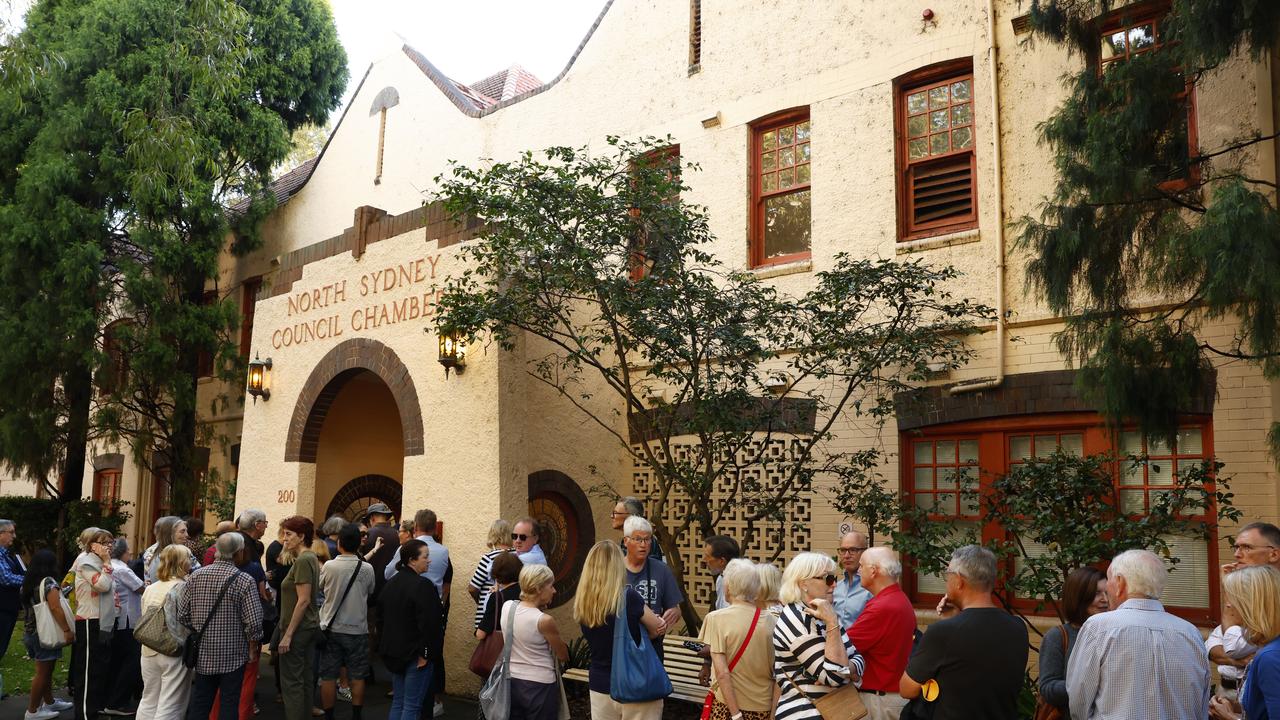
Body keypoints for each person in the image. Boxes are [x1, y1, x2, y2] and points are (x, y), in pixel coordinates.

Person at [1066, 548, 1209, 720]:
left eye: (1109, 581)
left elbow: (1079, 700)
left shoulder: (1099, 627)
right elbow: (1201, 703)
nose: (1107, 591)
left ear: (1120, 583)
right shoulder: (1190, 633)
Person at [900, 545, 1027, 720]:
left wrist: (949, 624)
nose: (947, 580)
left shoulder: (944, 633)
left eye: (948, 574)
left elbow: (907, 689)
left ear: (959, 581)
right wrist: (954, 618)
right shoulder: (1018, 627)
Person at [575, 541, 665, 720]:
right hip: (636, 682)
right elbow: (657, 629)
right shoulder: (628, 597)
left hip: (600, 684)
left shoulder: (583, 602)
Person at [180, 531, 264, 720]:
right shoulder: (244, 580)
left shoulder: (196, 576)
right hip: (234, 652)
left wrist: (198, 628)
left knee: (201, 701)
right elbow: (254, 622)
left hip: (203, 650)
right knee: (229, 702)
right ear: (239, 552)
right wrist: (252, 647)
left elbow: (183, 614)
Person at [774, 551, 862, 719]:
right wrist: (845, 670)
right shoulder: (795, 619)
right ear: (804, 584)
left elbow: (859, 659)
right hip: (803, 713)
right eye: (827, 578)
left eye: (834, 578)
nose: (834, 584)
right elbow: (835, 676)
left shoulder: (822, 613)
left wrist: (847, 669)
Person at [697, 559, 776, 720]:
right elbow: (778, 674)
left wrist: (736, 715)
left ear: (728, 586)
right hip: (763, 706)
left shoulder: (716, 619)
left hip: (727, 706)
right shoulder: (773, 620)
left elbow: (722, 673)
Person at [846, 547, 915, 720]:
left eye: (861, 566)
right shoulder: (898, 598)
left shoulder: (882, 606)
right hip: (888, 697)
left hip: (880, 702)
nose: (858, 570)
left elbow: (843, 645)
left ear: (874, 570)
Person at [379, 539, 444, 720]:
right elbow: (431, 624)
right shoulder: (422, 586)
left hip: (395, 652)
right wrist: (425, 653)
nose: (429, 560)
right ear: (412, 560)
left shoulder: (391, 583)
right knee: (412, 706)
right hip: (415, 656)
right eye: (425, 557)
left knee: (399, 702)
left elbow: (382, 620)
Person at [318, 523, 375, 720]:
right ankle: (356, 715)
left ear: (340, 543)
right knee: (358, 675)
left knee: (328, 675)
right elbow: (370, 592)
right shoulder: (367, 568)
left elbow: (321, 587)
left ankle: (329, 715)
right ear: (359, 543)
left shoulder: (329, 566)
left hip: (331, 628)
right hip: (358, 629)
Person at [1210, 565, 1280, 720]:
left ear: (1251, 606)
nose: (1228, 606)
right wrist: (1238, 708)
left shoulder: (1270, 656)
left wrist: (1229, 717)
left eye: (1231, 600)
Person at [501, 564, 568, 720]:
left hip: (512, 681)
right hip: (540, 686)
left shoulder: (507, 607)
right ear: (538, 588)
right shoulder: (544, 620)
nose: (554, 590)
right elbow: (563, 655)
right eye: (551, 586)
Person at [1037, 566, 1108, 715]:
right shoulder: (1057, 637)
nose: (1105, 600)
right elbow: (1048, 688)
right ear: (1079, 596)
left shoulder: (1114, 634)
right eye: (1097, 593)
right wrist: (1089, 685)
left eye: (1107, 593)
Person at [137, 544, 195, 720]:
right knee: (171, 704)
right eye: (190, 558)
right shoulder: (185, 588)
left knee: (148, 699)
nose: (192, 562)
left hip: (148, 648)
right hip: (173, 650)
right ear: (183, 563)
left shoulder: (150, 588)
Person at [273, 515, 322, 720]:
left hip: (298, 629)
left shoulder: (303, 560)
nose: (285, 539)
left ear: (301, 537)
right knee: (304, 679)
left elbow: (303, 601)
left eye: (289, 534)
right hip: (308, 627)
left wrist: (288, 635)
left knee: (292, 684)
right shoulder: (310, 557)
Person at [21, 549, 73, 720]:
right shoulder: (49, 583)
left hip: (30, 632)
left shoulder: (27, 583)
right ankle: (32, 711)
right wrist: (66, 630)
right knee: (42, 672)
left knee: (45, 670)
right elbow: (55, 607)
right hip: (44, 634)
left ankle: (49, 701)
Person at [71, 526, 117, 720]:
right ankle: (84, 714)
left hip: (101, 621)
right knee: (88, 672)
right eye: (105, 543)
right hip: (89, 620)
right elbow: (102, 585)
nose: (110, 547)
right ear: (92, 545)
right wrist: (107, 563)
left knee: (98, 670)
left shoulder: (98, 561)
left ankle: (92, 710)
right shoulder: (87, 562)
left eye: (111, 543)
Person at [622, 516, 683, 658]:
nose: (643, 544)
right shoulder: (614, 570)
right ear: (626, 541)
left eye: (647, 539)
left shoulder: (661, 570)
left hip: (653, 647)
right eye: (638, 539)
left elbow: (676, 609)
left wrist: (673, 613)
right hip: (622, 645)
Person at [103, 537, 145, 715]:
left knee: (117, 660)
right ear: (122, 552)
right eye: (128, 551)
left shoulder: (110, 566)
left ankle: (110, 698)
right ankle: (117, 701)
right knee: (132, 660)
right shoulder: (122, 569)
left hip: (117, 619)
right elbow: (141, 588)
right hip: (128, 619)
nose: (131, 554)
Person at [468, 519, 513, 629]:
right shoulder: (517, 556)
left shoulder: (489, 558)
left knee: (490, 646)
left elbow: (472, 588)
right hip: (512, 615)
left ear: (493, 534)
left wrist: (481, 601)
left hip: (490, 617)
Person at [0, 518, 25, 701]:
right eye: (11, 532)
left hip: (8, 609)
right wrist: (31, 581)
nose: (14, 536)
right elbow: (6, 578)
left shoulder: (7, 554)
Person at [476, 551, 524, 640]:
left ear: (496, 573)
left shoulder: (497, 598)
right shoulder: (526, 593)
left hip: (504, 648)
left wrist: (496, 595)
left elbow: (480, 634)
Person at [833, 531, 871, 630]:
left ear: (865, 552)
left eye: (853, 550)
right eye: (843, 550)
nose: (846, 555)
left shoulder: (872, 588)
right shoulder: (836, 588)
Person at [145, 516, 196, 583]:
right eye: (182, 531)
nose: (187, 535)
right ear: (170, 534)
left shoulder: (183, 551)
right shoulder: (153, 554)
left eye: (186, 531)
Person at [611, 498, 664, 563]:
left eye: (615, 513)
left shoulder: (647, 542)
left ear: (631, 516)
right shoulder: (626, 538)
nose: (612, 516)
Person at [703, 535, 740, 611]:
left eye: (707, 556)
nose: (704, 559)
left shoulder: (742, 582)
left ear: (722, 561)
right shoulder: (721, 578)